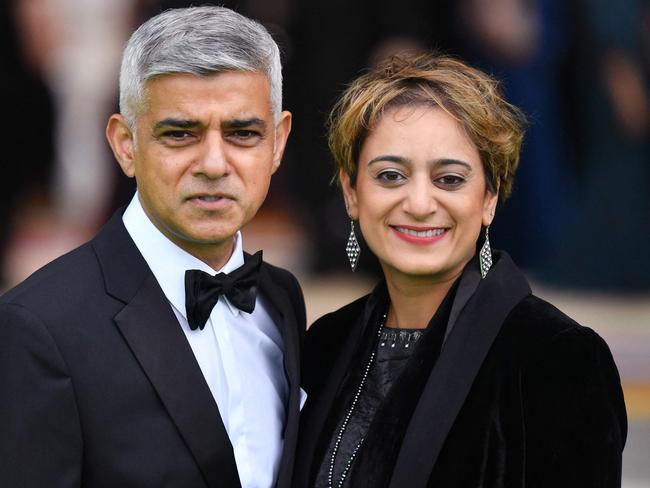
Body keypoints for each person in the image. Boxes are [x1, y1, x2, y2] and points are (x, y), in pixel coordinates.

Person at [0, 6, 305, 488]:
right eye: (180, 133)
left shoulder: (281, 299)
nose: (213, 163)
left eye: (243, 133)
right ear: (125, 144)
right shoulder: (38, 328)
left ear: (278, 142)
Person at [293, 52, 627, 487]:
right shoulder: (324, 345)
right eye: (390, 175)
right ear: (352, 192)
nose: (418, 203)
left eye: (449, 179)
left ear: (489, 198)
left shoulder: (559, 359)